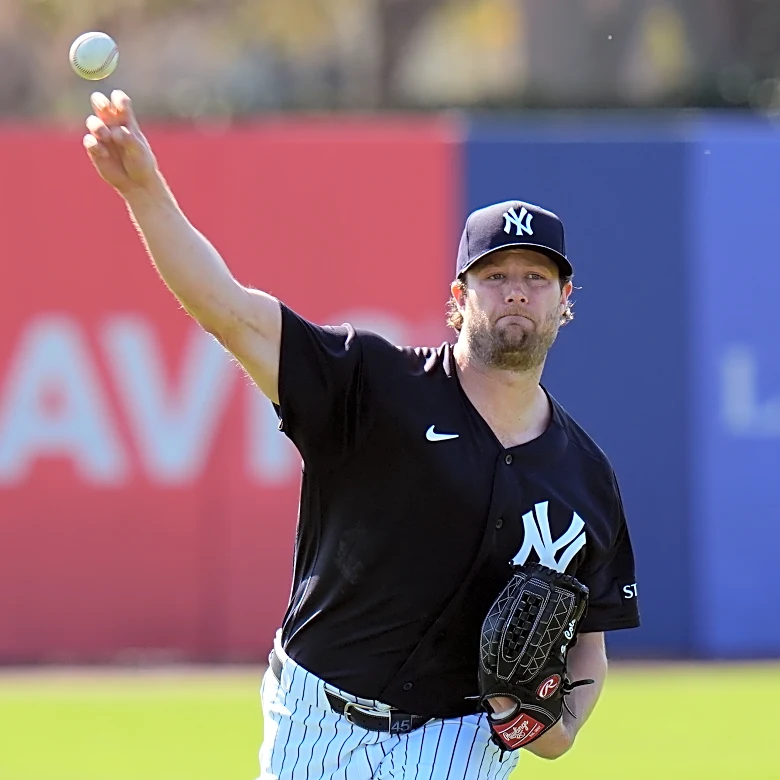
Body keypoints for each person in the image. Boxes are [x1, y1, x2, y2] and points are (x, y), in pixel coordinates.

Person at [82, 90, 640, 780]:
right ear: (460, 298)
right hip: (319, 717)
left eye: (536, 276)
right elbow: (230, 312)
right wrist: (144, 190)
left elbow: (590, 635)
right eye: (494, 277)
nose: (517, 291)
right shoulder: (373, 386)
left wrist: (561, 728)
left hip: (461, 738)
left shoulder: (585, 477)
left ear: (565, 302)